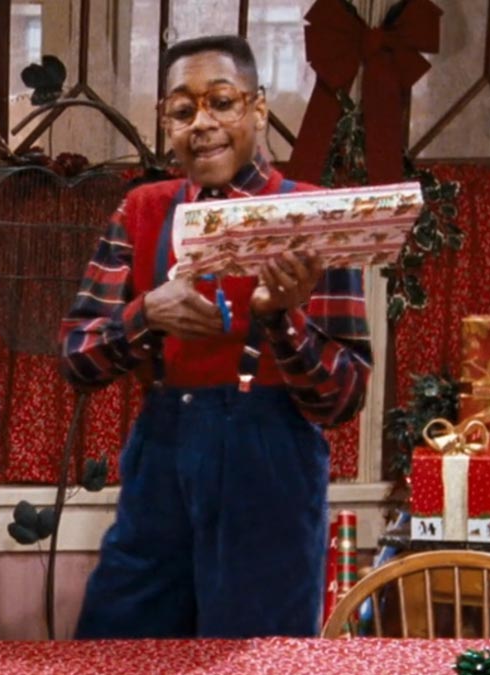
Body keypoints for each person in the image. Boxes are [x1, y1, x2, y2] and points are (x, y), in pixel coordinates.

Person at [60, 35, 372, 638]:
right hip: (163, 451)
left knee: (255, 656)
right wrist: (146, 314)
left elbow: (342, 399)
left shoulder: (314, 217)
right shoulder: (142, 210)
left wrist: (281, 318)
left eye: (221, 102)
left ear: (256, 109)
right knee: (118, 647)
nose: (202, 124)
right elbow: (77, 358)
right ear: (167, 126)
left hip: (270, 458)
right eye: (182, 110)